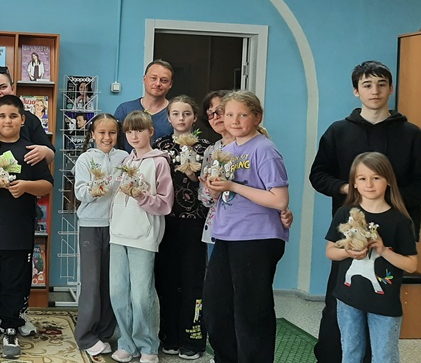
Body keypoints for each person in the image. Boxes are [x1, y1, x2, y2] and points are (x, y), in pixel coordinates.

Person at [310, 60, 421, 363]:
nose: (374, 91)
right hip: (350, 234)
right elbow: (319, 175)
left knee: (381, 301)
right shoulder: (338, 131)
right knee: (340, 300)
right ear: (356, 91)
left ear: (390, 89)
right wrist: (348, 190)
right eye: (367, 85)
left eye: (381, 84)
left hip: (395, 235)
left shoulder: (411, 134)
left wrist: (388, 200)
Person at [203, 91, 290, 362]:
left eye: (242, 115)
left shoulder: (264, 149)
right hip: (226, 235)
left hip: (257, 237)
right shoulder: (226, 152)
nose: (235, 120)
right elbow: (218, 196)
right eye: (229, 114)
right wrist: (215, 188)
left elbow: (279, 199)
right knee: (216, 309)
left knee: (251, 313)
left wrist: (232, 186)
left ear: (257, 117)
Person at [0, 95, 54, 359]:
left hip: (18, 233)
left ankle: (10, 329)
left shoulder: (31, 151)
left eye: (13, 116)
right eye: (2, 116)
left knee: (14, 285)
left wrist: (26, 186)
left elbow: (47, 185)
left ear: (22, 120)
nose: (8, 121)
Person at [325, 152, 417, 363]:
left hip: (385, 304)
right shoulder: (344, 213)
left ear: (388, 181)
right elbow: (330, 251)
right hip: (348, 300)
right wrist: (348, 252)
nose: (369, 184)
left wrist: (383, 251)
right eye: (362, 178)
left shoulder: (400, 221)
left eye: (376, 177)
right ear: (354, 183)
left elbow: (412, 265)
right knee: (351, 353)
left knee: (385, 357)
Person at [108, 110, 174, 363]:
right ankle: (127, 343)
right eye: (129, 131)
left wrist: (141, 196)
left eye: (139, 130)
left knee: (141, 296)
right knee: (118, 293)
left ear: (150, 132)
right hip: (118, 233)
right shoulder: (126, 161)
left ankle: (148, 346)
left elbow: (165, 203)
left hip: (143, 235)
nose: (134, 135)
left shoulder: (159, 162)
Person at [152, 95, 211, 360]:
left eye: (186, 113)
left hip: (195, 222)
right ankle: (169, 336)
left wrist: (194, 176)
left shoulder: (207, 148)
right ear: (168, 117)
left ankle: (193, 339)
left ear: (195, 117)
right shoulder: (160, 146)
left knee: (193, 280)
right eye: (175, 114)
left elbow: (212, 185)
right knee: (166, 280)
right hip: (166, 222)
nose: (181, 118)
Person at [72, 114, 126, 356]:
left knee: (112, 283)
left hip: (118, 227)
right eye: (102, 132)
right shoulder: (85, 159)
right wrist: (96, 189)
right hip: (91, 225)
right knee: (92, 282)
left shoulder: (124, 158)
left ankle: (104, 333)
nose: (107, 137)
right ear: (93, 134)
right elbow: (80, 192)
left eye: (112, 132)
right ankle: (85, 336)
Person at [197, 90, 234, 244]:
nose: (215, 117)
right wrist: (212, 193)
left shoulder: (250, 146)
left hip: (246, 227)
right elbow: (203, 197)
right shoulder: (211, 151)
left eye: (219, 111)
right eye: (210, 114)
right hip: (216, 228)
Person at [114, 60, 175, 151]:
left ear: (170, 84)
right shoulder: (124, 110)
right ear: (144, 79)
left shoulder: (176, 113)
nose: (158, 83)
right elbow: (114, 145)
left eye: (164, 80)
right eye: (153, 78)